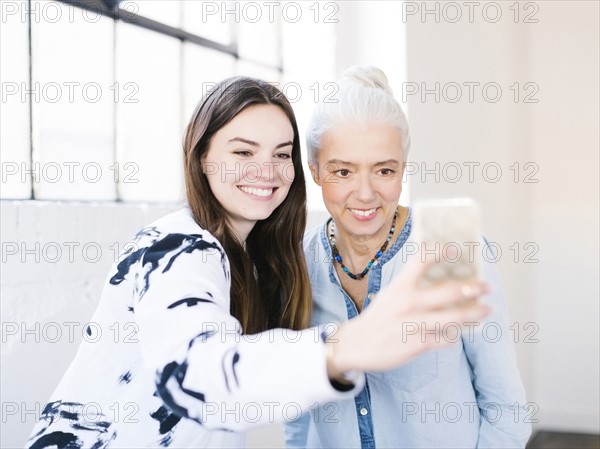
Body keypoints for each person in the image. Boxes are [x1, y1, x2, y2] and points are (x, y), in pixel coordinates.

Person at [25, 77, 491, 449]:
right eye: (243, 152)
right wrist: (344, 348)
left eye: (280, 154)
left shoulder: (259, 261)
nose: (265, 171)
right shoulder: (177, 247)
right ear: (202, 157)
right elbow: (201, 375)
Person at [285, 66, 532, 448]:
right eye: (343, 171)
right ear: (315, 171)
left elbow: (506, 408)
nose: (365, 194)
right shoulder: (298, 262)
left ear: (403, 170)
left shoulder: (452, 250)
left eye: (384, 170)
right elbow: (299, 403)